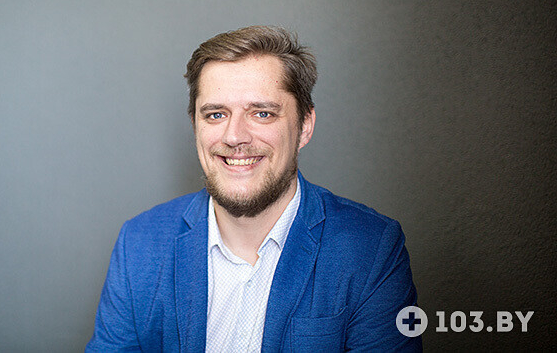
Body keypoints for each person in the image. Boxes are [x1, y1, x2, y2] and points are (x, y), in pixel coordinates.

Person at [86, 26, 422, 351]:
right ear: (195, 126)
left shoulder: (371, 248)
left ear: (305, 126)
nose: (234, 137)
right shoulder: (139, 244)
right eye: (216, 115)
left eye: (262, 113)